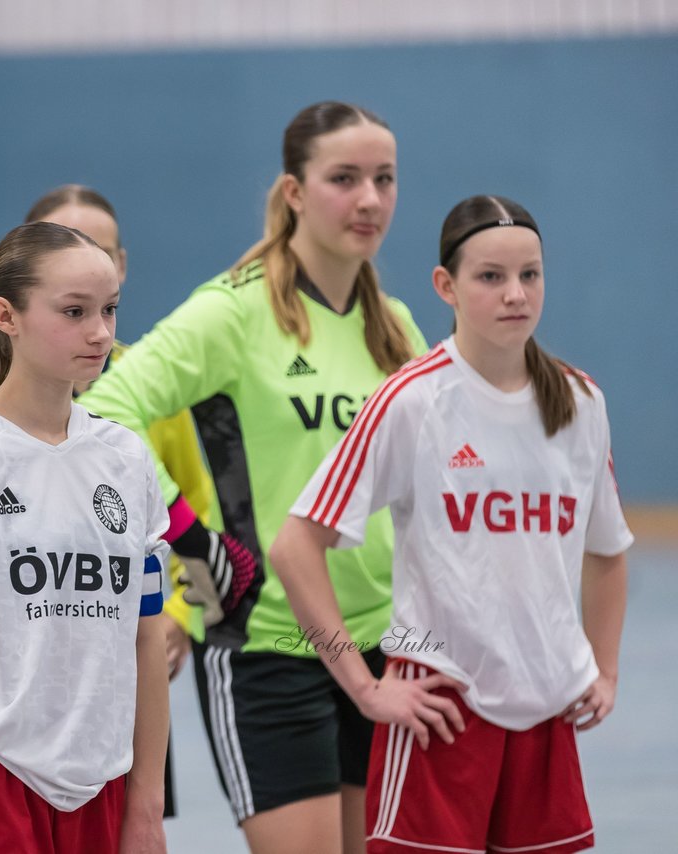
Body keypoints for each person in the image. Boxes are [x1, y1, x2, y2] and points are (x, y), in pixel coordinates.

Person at [78, 101, 427, 854]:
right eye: (344, 178)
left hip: (385, 640)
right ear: (295, 192)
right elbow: (105, 409)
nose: (369, 199)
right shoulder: (231, 313)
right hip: (269, 646)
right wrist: (186, 537)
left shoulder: (396, 325)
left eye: (385, 178)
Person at [271, 194, 631, 854]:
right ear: (447, 286)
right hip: (439, 711)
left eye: (530, 274)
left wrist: (603, 669)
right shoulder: (413, 400)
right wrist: (363, 685)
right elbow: (296, 544)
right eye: (491, 277)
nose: (515, 294)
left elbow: (607, 550)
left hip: (548, 711)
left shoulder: (580, 402)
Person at [0, 222, 170, 853]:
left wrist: (147, 808)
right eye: (74, 312)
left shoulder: (126, 458)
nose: (100, 332)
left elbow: (146, 636)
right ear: (6, 315)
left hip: (102, 781)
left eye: (108, 310)